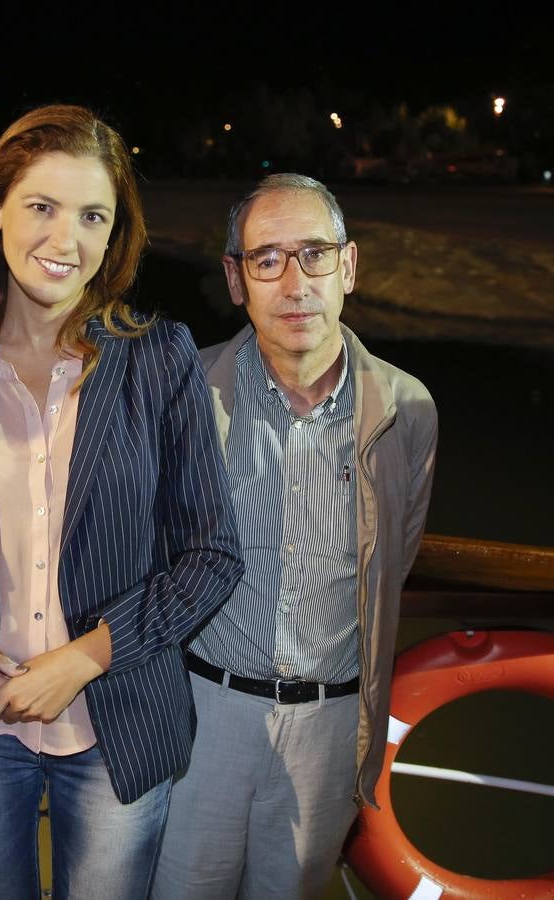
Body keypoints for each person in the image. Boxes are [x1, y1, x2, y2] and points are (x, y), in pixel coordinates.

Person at [0, 104, 244, 900]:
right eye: (41, 207)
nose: (65, 239)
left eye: (92, 215)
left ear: (115, 233)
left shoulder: (160, 357)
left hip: (116, 723)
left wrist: (82, 658)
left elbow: (211, 556)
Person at [153, 173, 438, 899]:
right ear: (234, 278)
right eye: (266, 259)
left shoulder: (406, 409)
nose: (294, 282)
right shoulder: (184, 391)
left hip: (331, 727)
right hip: (199, 716)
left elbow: (392, 561)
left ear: (347, 266)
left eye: (314, 254)